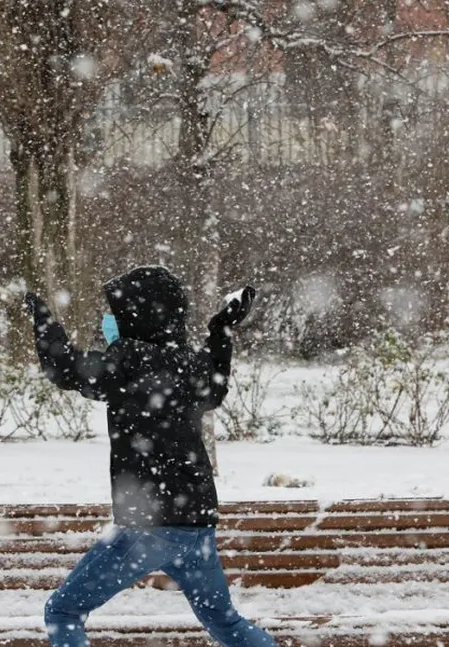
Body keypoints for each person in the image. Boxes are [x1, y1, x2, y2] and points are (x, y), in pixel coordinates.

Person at [23, 265, 276, 647]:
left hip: (149, 526)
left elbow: (68, 369)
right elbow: (216, 384)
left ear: (137, 315)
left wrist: (45, 326)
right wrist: (222, 328)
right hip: (197, 526)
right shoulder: (189, 363)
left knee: (63, 611)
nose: (110, 321)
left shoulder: (130, 359)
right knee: (226, 624)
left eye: (117, 313)